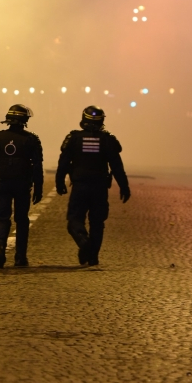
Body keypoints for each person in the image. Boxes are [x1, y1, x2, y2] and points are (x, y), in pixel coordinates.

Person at [56, 105, 130, 268]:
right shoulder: (107, 140)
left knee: (74, 220)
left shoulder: (74, 138)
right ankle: (93, 257)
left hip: (80, 187)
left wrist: (59, 181)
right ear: (102, 121)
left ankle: (84, 242)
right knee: (97, 223)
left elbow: (63, 162)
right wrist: (124, 186)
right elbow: (117, 166)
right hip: (99, 188)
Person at [0, 104, 44, 269]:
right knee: (21, 220)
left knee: (2, 218)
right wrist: (38, 188)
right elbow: (37, 166)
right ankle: (20, 257)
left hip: (2, 183)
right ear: (24, 120)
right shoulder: (31, 139)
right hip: (22, 185)